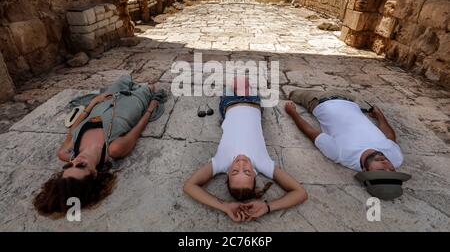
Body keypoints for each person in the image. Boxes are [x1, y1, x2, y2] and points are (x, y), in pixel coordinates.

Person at [33, 75, 166, 216]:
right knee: (149, 87)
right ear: (94, 173)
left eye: (69, 166)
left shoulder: (65, 153)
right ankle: (146, 88)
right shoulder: (114, 149)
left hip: (104, 102)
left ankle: (136, 86)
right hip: (132, 105)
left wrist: (92, 103)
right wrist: (151, 108)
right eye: (81, 166)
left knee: (124, 78)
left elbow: (73, 129)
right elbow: (138, 128)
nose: (75, 160)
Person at [183, 77, 308, 222]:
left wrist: (225, 206)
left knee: (235, 83)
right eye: (247, 171)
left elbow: (189, 186)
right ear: (255, 175)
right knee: (243, 81)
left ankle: (234, 88)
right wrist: (268, 207)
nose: (241, 163)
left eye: (235, 171)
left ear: (228, 174)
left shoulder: (221, 163)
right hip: (253, 103)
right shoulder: (263, 164)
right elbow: (300, 193)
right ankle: (247, 88)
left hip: (229, 104)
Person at [285, 89, 411, 200]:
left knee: (293, 94)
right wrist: (379, 115)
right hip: (351, 100)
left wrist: (293, 113)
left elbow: (311, 132)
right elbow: (390, 137)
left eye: (381, 169)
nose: (386, 164)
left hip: (319, 100)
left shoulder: (340, 153)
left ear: (365, 170)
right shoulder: (395, 158)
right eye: (392, 169)